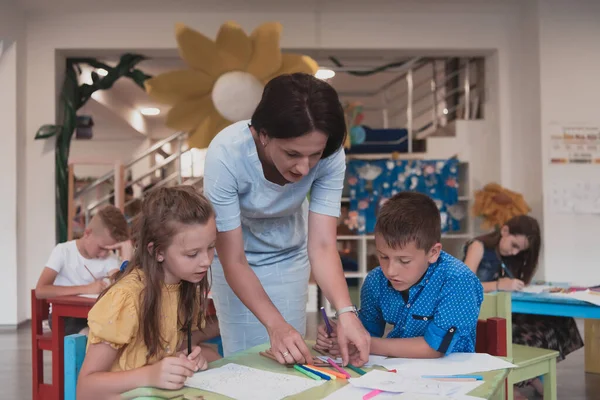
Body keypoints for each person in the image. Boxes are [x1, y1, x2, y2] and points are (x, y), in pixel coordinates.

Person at [203, 72, 370, 366]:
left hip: (290, 254)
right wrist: (275, 325)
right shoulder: (226, 154)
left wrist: (346, 313)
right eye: (292, 154)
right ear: (263, 134)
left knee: (288, 355)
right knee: (245, 359)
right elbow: (233, 260)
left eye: (314, 155)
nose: (304, 168)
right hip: (236, 259)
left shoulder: (331, 155)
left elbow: (321, 245)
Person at [76, 186, 220, 399]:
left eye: (211, 247)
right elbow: (86, 390)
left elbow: (170, 351)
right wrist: (150, 375)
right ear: (157, 251)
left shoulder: (184, 286)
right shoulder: (126, 298)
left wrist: (186, 361)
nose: (206, 261)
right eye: (192, 254)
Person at [315, 192, 483, 358]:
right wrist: (340, 334)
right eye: (383, 257)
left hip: (454, 376)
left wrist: (364, 343)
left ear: (433, 252)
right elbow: (367, 331)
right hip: (399, 374)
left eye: (404, 261)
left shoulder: (458, 280)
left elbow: (435, 348)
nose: (390, 271)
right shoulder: (376, 280)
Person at [463, 215, 583, 398]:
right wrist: (498, 285)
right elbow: (464, 286)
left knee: (560, 322)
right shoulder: (478, 246)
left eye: (520, 250)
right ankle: (514, 379)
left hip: (507, 312)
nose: (515, 252)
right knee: (534, 335)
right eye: (514, 245)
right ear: (504, 231)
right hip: (481, 316)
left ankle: (530, 374)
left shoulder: (512, 256)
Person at [35, 205, 132, 335]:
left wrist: (127, 259)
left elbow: (124, 287)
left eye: (109, 249)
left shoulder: (110, 258)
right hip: (64, 317)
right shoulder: (63, 251)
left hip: (97, 315)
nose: (104, 254)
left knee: (119, 331)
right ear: (87, 233)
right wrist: (86, 288)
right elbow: (41, 290)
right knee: (91, 336)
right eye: (101, 248)